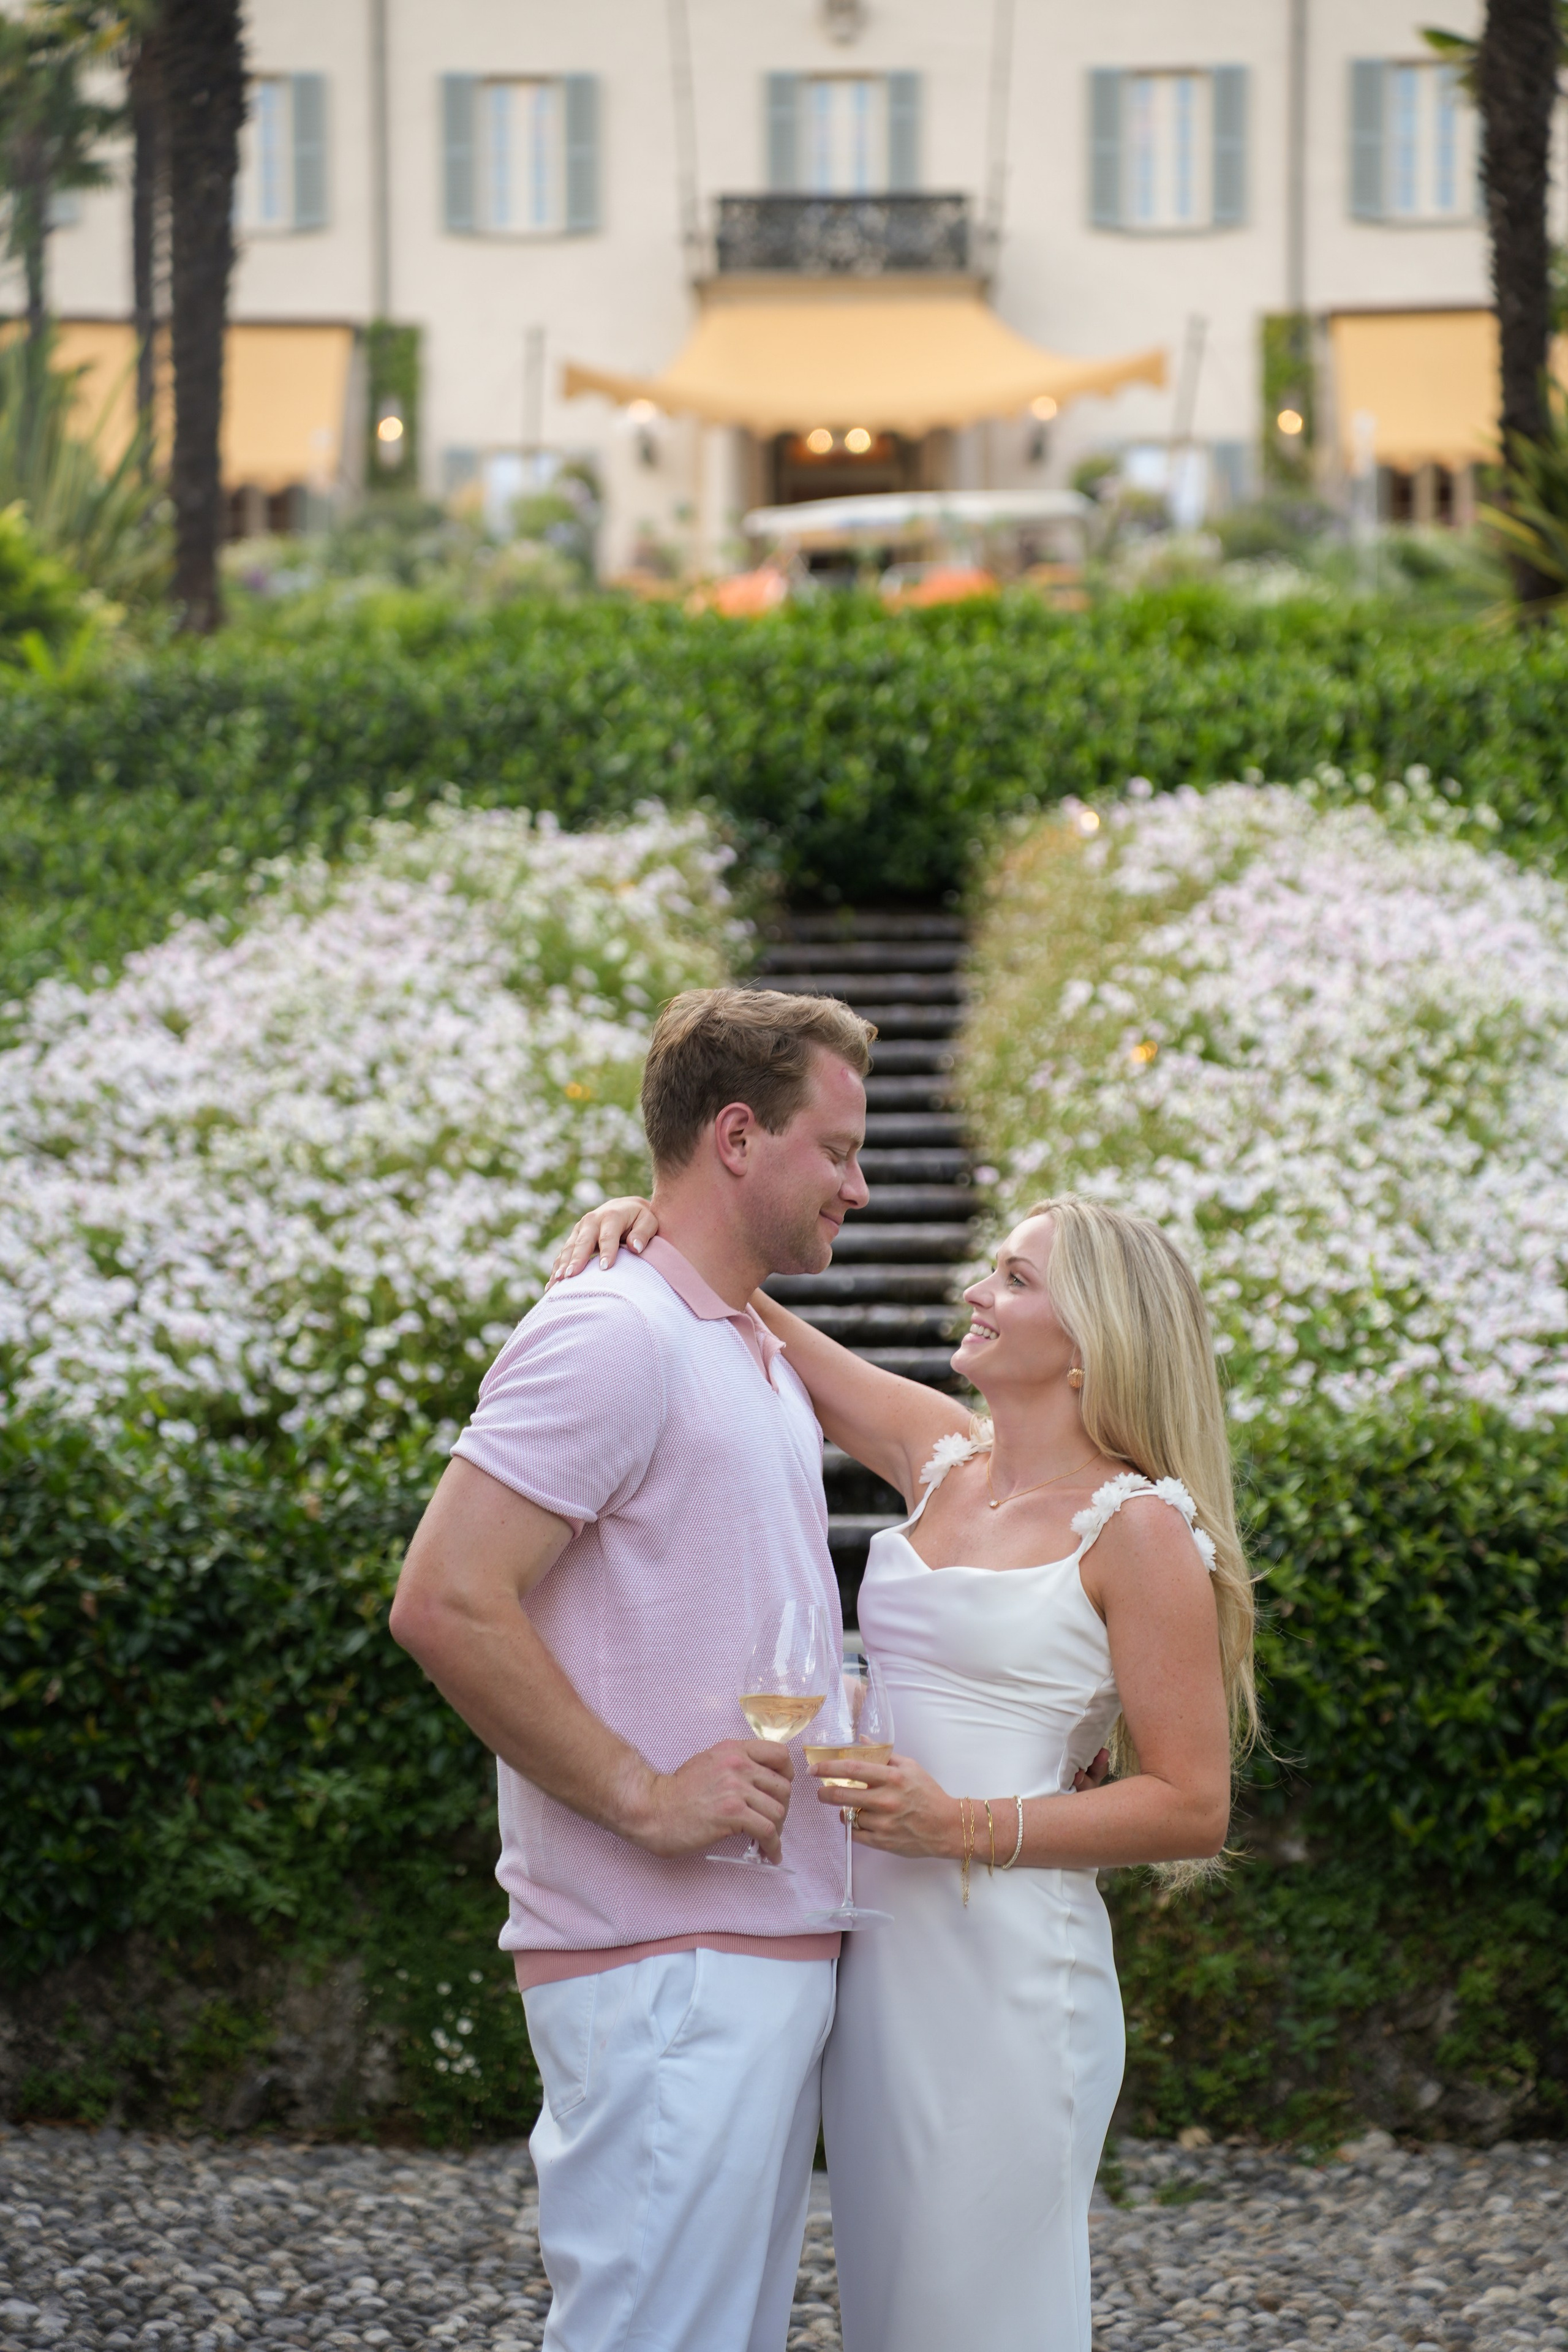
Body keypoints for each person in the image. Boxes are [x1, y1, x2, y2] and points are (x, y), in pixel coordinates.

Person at [554, 1188, 1257, 2352]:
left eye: (1017, 1281)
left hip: (1010, 1976)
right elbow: (763, 1321)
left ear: (1096, 1344)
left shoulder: (1138, 1531)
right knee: (893, 2306)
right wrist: (665, 1221)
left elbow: (1192, 1805)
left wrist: (961, 1822)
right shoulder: (944, 1459)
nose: (978, 1292)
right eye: (993, 1269)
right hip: (875, 1961)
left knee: (979, 2313)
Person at [390, 985, 880, 2352]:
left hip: (745, 1946)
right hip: (660, 1959)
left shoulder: (736, 1342)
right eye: (835, 1149)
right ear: (736, 1136)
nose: (857, 1182)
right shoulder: (612, 1331)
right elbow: (445, 1600)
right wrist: (642, 1792)